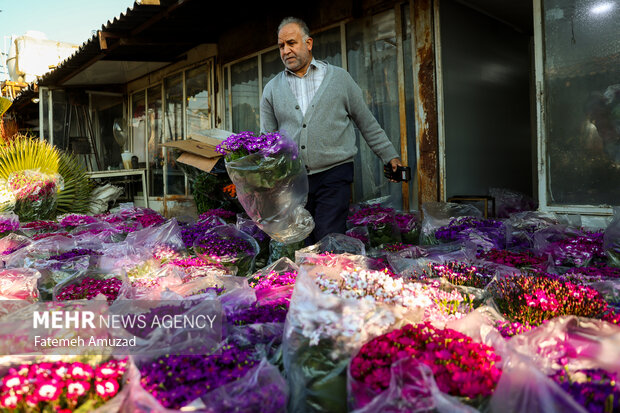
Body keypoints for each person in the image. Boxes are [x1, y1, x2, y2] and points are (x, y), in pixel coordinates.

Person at [260, 16, 403, 244]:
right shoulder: (271, 89)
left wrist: (389, 155)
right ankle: (311, 280)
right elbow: (267, 140)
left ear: (308, 43)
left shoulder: (339, 79)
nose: (285, 50)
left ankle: (327, 278)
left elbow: (366, 121)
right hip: (294, 179)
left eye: (291, 43)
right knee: (303, 241)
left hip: (334, 173)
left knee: (328, 237)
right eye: (281, 45)